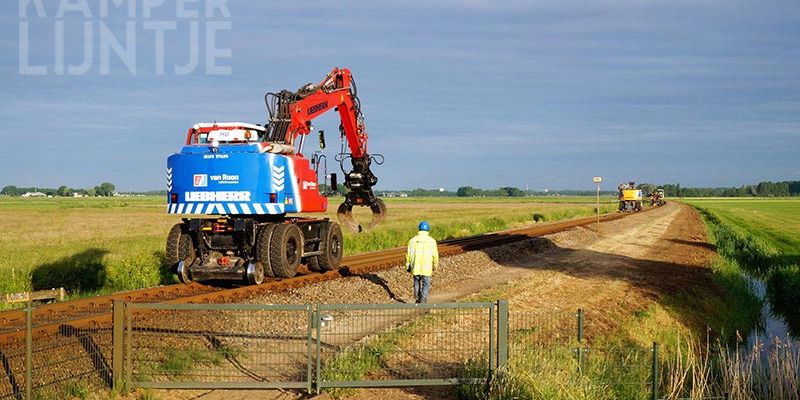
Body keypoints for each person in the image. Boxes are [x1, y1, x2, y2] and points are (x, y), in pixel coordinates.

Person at [406, 221, 439, 304]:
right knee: (426, 284)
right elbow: (435, 255)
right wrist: (435, 265)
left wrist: (408, 265)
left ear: (419, 229)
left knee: (416, 282)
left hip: (415, 266)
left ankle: (417, 298)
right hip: (427, 268)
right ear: (428, 230)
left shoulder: (412, 240)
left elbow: (408, 254)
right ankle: (423, 301)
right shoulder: (432, 241)